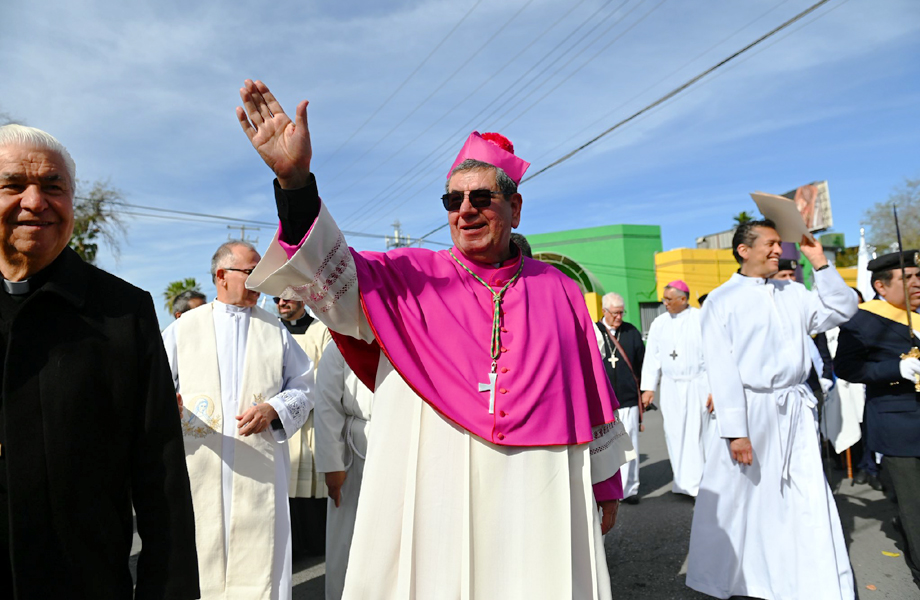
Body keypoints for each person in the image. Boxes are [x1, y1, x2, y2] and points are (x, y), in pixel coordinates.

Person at [237, 79, 633, 599]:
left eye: (482, 197)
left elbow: (587, 389)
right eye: (454, 198)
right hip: (434, 482)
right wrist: (296, 185)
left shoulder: (558, 288)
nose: (465, 209)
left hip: (538, 484)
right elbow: (329, 277)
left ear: (515, 209)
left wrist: (604, 482)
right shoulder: (406, 275)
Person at [0, 124, 199, 598]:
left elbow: (161, 472)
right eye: (12, 185)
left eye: (54, 188)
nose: (35, 201)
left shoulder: (122, 311)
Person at [686, 220, 857, 599]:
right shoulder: (721, 300)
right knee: (742, 496)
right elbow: (722, 369)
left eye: (780, 243)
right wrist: (736, 431)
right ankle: (736, 578)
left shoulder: (794, 292)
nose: (779, 250)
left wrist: (820, 263)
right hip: (751, 410)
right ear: (744, 250)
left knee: (802, 491)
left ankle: (804, 579)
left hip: (794, 408)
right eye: (771, 243)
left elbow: (844, 309)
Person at [162, 240, 313, 600]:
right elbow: (154, 386)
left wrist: (274, 408)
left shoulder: (274, 329)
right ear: (221, 275)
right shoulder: (184, 329)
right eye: (251, 273)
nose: (260, 281)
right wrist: (168, 404)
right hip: (201, 463)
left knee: (260, 558)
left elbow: (306, 387)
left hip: (258, 463)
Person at [835, 251, 920, 590]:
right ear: (881, 286)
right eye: (908, 277)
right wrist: (894, 370)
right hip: (901, 425)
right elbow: (847, 368)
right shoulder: (863, 320)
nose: (917, 283)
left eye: (919, 275)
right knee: (915, 508)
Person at [640, 280, 713, 497]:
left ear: (683, 299)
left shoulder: (701, 319)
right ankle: (682, 482)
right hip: (671, 385)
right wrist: (649, 388)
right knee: (673, 432)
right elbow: (651, 356)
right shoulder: (659, 323)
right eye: (664, 299)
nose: (665, 303)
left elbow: (712, 356)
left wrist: (713, 389)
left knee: (697, 433)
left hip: (697, 384)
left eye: (669, 300)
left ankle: (701, 483)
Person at [313, 343, 375, 600]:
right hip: (356, 447)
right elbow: (327, 406)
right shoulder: (340, 346)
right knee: (348, 537)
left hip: (402, 438)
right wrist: (333, 466)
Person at [275, 294, 333, 555]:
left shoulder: (322, 331)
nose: (281, 303)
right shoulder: (271, 329)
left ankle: (314, 546)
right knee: (281, 489)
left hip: (310, 424)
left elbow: (328, 372)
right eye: (277, 299)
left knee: (310, 490)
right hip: (276, 424)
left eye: (287, 299)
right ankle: (290, 548)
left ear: (302, 300)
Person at [594, 292, 644, 503]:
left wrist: (644, 390)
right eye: (615, 313)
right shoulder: (595, 331)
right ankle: (610, 490)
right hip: (604, 400)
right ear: (604, 311)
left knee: (630, 444)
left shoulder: (631, 331)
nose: (618, 317)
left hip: (629, 399)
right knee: (606, 446)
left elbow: (641, 362)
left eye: (621, 312)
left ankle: (630, 489)